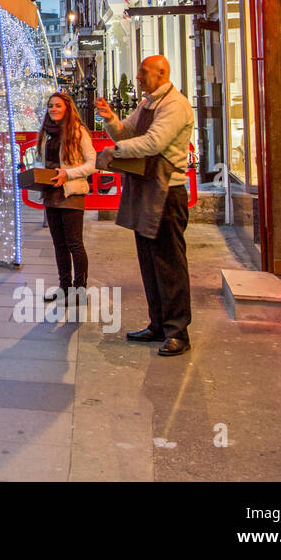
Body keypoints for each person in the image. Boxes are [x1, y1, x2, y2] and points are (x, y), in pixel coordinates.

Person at [96, 54, 196, 357]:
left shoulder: (175, 105)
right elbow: (128, 132)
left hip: (167, 193)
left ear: (161, 73)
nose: (138, 77)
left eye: (143, 72)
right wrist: (110, 119)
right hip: (147, 190)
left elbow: (153, 142)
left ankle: (178, 330)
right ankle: (158, 324)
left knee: (169, 264)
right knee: (150, 263)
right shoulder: (148, 102)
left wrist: (116, 150)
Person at [35, 91, 96, 304]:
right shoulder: (46, 134)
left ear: (67, 108)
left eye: (58, 105)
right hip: (51, 193)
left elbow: (92, 163)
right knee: (58, 244)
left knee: (74, 244)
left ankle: (80, 290)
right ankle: (64, 287)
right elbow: (44, 163)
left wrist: (68, 174)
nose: (53, 109)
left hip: (71, 193)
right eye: (51, 105)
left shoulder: (78, 132)